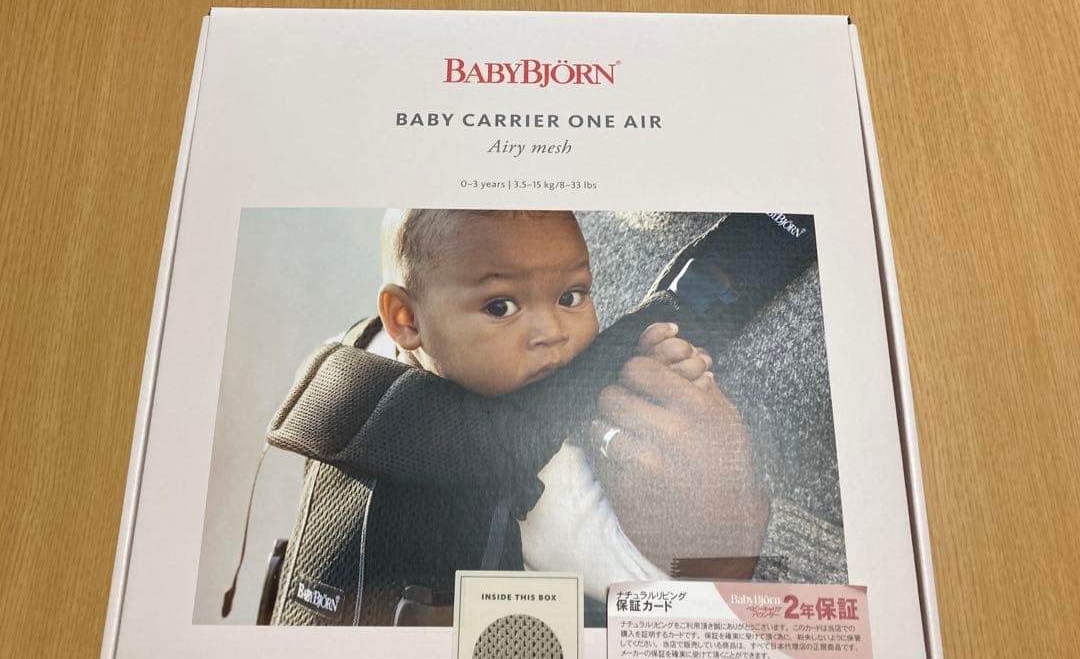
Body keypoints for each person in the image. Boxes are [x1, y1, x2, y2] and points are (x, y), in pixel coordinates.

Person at [262, 209, 768, 626]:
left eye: (571, 297)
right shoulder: (542, 468)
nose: (552, 331)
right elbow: (658, 594)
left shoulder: (349, 356)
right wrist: (667, 399)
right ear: (405, 319)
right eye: (501, 307)